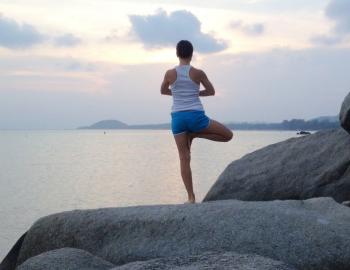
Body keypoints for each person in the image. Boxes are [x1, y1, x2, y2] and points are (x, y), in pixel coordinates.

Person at [160, 40, 233, 204]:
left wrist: (178, 94)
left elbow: (163, 90)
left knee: (184, 158)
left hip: (178, 118)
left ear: (177, 54)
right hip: (196, 117)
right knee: (228, 135)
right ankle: (197, 134)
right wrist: (195, 94)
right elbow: (211, 91)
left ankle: (191, 197)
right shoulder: (198, 73)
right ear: (192, 54)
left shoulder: (169, 73)